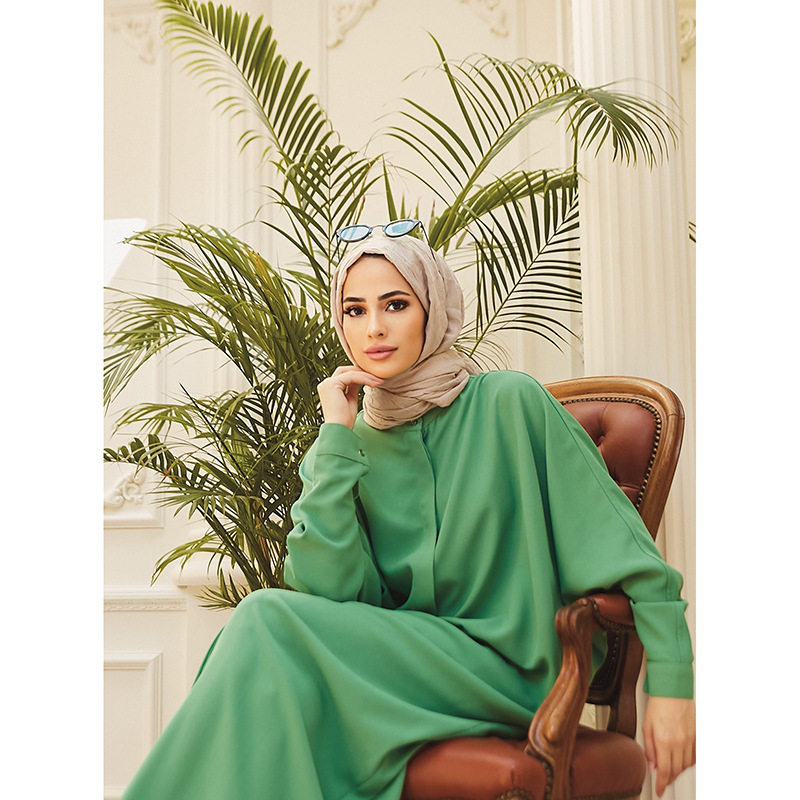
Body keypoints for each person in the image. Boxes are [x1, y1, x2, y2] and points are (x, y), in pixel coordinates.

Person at [122, 227, 695, 800]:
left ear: (432, 312)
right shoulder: (350, 441)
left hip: (516, 667)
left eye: (395, 304)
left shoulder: (510, 403)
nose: (373, 328)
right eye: (355, 310)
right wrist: (336, 437)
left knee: (263, 619)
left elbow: (632, 558)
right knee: (265, 626)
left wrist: (673, 686)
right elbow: (326, 588)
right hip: (406, 668)